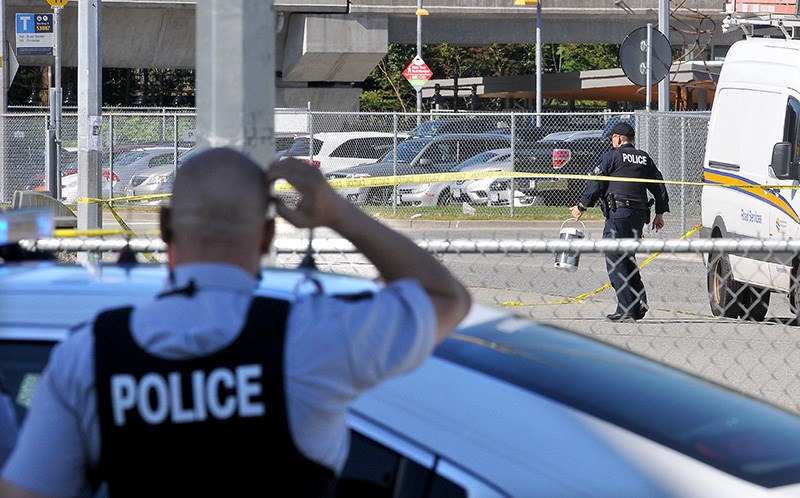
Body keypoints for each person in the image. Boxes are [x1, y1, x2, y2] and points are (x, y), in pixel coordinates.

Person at [0, 147, 471, 497]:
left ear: (165, 226)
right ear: (268, 235)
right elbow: (445, 297)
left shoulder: (87, 356)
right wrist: (336, 213)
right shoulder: (316, 338)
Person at [570, 121, 669, 322]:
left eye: (612, 138)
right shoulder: (643, 158)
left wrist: (581, 206)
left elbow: (596, 183)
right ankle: (639, 301)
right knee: (628, 257)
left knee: (615, 259)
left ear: (618, 139)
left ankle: (626, 310)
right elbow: (658, 185)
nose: (611, 141)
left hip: (619, 214)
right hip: (638, 216)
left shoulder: (611, 156)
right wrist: (660, 212)